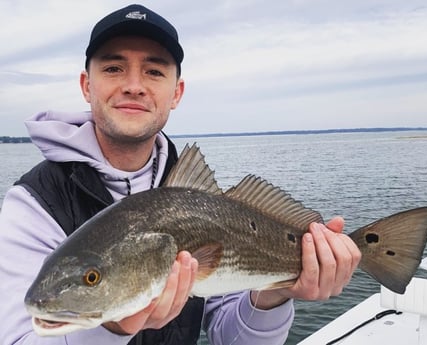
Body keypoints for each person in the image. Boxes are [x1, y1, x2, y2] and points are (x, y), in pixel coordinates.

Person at [0, 4, 361, 345]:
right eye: (113, 68)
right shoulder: (35, 204)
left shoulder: (200, 200)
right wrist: (112, 329)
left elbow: (232, 337)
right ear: (86, 85)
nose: (134, 85)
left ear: (177, 92)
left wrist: (275, 293)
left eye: (154, 71)